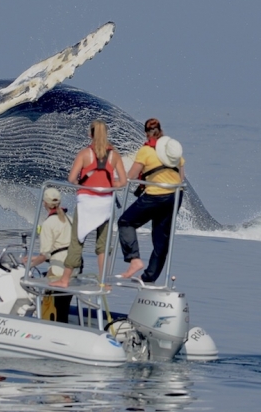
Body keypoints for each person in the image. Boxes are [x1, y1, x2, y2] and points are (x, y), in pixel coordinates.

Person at [50, 119, 127, 288]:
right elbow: (123, 181)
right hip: (105, 203)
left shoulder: (85, 154)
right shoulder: (114, 155)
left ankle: (64, 279)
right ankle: (104, 281)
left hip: (86, 203)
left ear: (90, 134)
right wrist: (107, 185)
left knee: (78, 240)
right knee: (103, 244)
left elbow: (71, 178)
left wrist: (85, 182)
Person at [117, 118, 185, 282]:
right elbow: (181, 177)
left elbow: (131, 176)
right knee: (161, 239)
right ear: (161, 131)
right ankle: (149, 277)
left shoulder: (145, 151)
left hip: (156, 195)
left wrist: (118, 180)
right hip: (175, 196)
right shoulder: (172, 150)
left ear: (146, 133)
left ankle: (134, 259)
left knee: (125, 222)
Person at [25, 187, 74, 322]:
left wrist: (28, 265)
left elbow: (44, 256)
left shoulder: (48, 223)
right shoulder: (70, 219)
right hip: (74, 269)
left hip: (59, 270)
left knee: (52, 306)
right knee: (63, 306)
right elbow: (62, 247)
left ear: (44, 203)